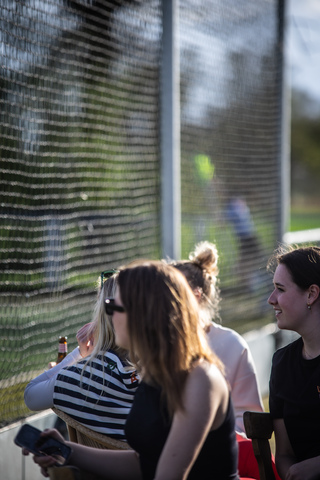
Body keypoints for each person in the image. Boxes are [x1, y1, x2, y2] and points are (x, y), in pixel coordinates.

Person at [22, 260, 240, 480]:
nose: (107, 316)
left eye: (113, 306)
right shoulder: (154, 376)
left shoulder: (200, 379)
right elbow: (143, 463)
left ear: (144, 314)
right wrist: (67, 450)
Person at [24, 270, 139, 440]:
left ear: (102, 318)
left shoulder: (79, 377)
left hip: (89, 466)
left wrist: (78, 355)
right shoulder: (166, 378)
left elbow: (31, 395)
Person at [171, 241, 264, 435]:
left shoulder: (232, 344)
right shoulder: (150, 340)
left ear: (194, 297)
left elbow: (249, 418)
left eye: (169, 292)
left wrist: (205, 437)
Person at [268, 244, 320, 480]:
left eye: (280, 289)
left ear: (311, 294)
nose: (271, 300)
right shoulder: (282, 363)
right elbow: (284, 454)